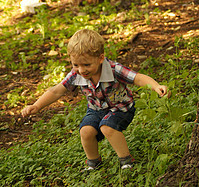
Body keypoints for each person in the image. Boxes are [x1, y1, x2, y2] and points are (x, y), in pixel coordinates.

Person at [21, 29, 167, 170]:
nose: (81, 70)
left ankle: (126, 160)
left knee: (106, 127)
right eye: (76, 65)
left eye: (86, 65)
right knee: (85, 131)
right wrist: (37, 106)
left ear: (100, 58)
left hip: (121, 108)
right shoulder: (76, 74)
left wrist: (155, 86)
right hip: (96, 109)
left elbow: (137, 78)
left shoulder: (114, 69)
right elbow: (56, 91)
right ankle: (94, 162)